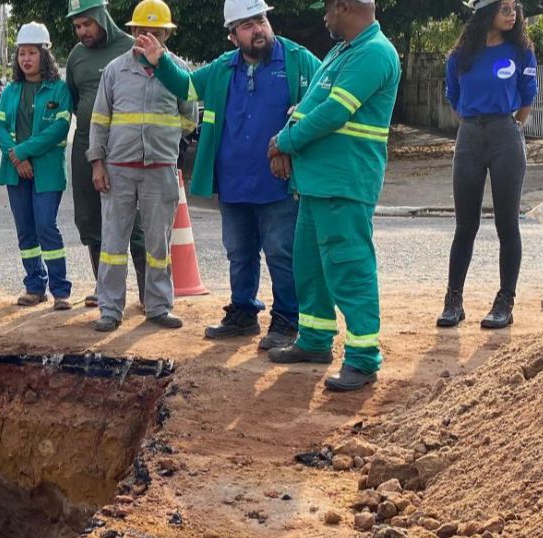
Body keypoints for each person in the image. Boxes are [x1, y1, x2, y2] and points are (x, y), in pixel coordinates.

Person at [149, 0, 321, 350]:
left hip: (278, 181)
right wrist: (160, 61)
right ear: (232, 36)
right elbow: (186, 87)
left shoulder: (297, 60)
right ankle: (243, 313)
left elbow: (322, 101)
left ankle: (288, 319)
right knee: (239, 252)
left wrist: (291, 141)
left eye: (260, 19)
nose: (257, 29)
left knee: (281, 252)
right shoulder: (223, 68)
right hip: (233, 182)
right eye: (246, 25)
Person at [265, 0, 400, 392]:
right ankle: (315, 339)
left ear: (344, 6)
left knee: (348, 267)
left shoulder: (375, 53)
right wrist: (289, 137)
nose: (324, 14)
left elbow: (333, 113)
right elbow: (310, 106)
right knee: (310, 266)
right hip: (317, 181)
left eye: (327, 6)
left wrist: (284, 141)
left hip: (345, 179)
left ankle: (362, 358)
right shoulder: (344, 51)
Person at [88, 0, 196, 333]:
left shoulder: (177, 71)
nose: (146, 36)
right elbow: (99, 120)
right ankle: (110, 309)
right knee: (113, 243)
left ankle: (159, 306)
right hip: (118, 168)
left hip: (159, 168)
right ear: (132, 31)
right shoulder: (115, 70)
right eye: (140, 30)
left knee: (158, 244)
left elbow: (189, 119)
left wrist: (164, 144)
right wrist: (97, 163)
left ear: (166, 34)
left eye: (154, 31)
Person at [437, 0, 537, 330]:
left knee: (507, 225)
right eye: (504, 8)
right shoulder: (460, 55)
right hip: (469, 139)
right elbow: (453, 95)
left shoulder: (520, 51)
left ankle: (505, 301)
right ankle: (454, 300)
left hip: (506, 136)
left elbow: (527, 96)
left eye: (515, 8)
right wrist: (472, 124)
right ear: (486, 12)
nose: (512, 14)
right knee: (465, 225)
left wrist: (513, 128)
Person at [66, 0, 148, 309]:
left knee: (135, 222)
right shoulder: (76, 57)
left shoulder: (132, 48)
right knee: (90, 217)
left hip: (126, 151)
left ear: (103, 18)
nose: (82, 32)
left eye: (87, 24)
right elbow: (76, 100)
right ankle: (105, 289)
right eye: (77, 27)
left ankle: (146, 292)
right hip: (87, 147)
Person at [0, 23, 74, 310]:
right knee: (26, 231)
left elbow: (59, 128)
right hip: (16, 171)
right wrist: (17, 158)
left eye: (32, 52)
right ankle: (34, 286)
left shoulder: (59, 89)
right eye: (21, 53)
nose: (26, 59)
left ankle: (61, 290)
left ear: (45, 55)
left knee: (46, 226)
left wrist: (22, 152)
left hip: (47, 170)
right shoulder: (11, 90)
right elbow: (0, 126)